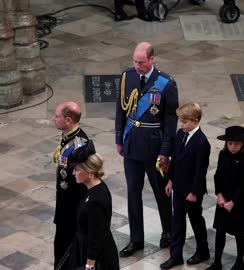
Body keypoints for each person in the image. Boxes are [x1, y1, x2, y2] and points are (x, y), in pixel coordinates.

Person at [115, 42, 178, 257]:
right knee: (133, 193)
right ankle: (136, 239)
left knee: (161, 193)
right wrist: (119, 139)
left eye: (141, 62)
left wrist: (166, 151)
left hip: (154, 147)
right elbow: (120, 111)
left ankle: (168, 232)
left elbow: (170, 121)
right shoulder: (128, 77)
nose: (137, 66)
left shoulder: (166, 83)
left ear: (152, 59)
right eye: (135, 61)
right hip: (132, 144)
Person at [161, 102, 211, 269]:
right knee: (177, 222)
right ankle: (176, 256)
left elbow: (200, 171)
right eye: (180, 121)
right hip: (179, 187)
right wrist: (170, 180)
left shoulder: (202, 142)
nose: (181, 124)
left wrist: (195, 193)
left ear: (196, 121)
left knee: (196, 221)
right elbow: (175, 159)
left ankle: (203, 250)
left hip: (191, 191)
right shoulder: (181, 134)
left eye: (184, 121)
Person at [206, 126, 244, 270]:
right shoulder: (223, 155)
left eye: (236, 144)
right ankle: (217, 262)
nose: (232, 147)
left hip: (239, 201)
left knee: (238, 232)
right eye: (230, 144)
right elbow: (218, 176)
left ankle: (240, 261)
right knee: (220, 231)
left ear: (242, 144)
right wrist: (219, 195)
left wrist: (233, 202)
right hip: (224, 199)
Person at [67, 141, 119, 270]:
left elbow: (95, 236)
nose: (74, 173)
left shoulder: (95, 201)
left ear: (89, 172)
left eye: (77, 170)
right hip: (84, 247)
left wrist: (89, 265)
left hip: (96, 256)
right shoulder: (96, 187)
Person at [51, 101, 90, 269]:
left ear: (68, 120)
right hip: (65, 205)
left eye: (57, 116)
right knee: (60, 246)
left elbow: (80, 181)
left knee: (68, 249)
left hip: (72, 209)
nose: (53, 119)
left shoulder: (79, 146)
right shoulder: (68, 137)